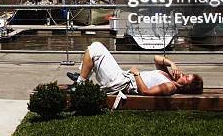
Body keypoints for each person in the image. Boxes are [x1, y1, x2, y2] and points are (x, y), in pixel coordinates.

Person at [67, 41, 203, 96]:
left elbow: (146, 92)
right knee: (94, 49)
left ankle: (80, 82)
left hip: (121, 83)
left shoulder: (170, 86)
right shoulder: (169, 77)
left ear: (187, 86)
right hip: (123, 77)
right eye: (186, 74)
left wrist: (137, 74)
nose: (183, 74)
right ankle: (81, 79)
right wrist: (172, 64)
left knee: (95, 48)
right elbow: (156, 58)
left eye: (187, 77)